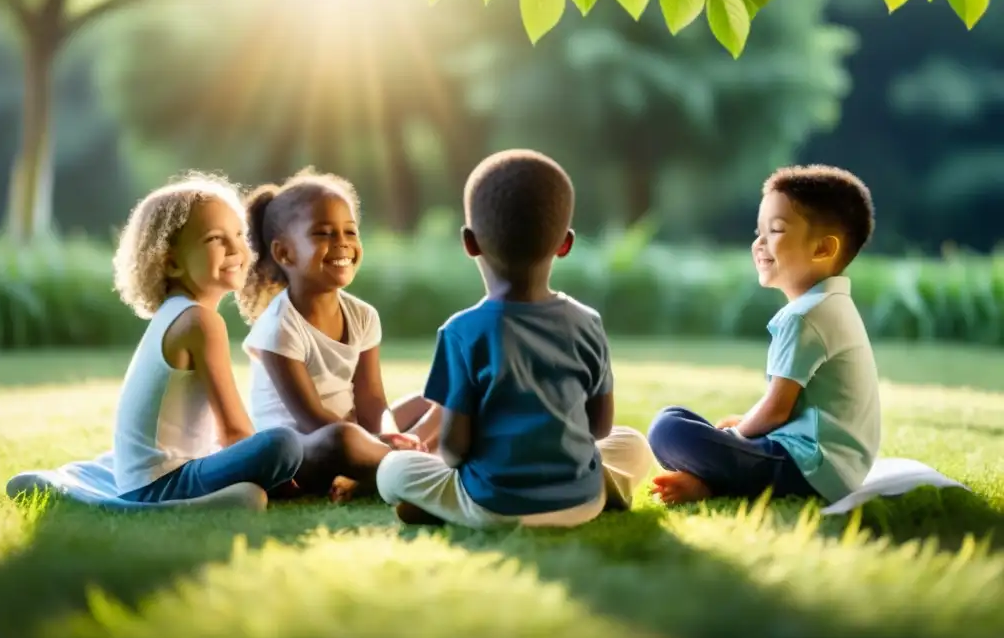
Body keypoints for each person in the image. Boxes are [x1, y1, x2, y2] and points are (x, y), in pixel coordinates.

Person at [376, 149, 656, 528]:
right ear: (565, 243)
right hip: (581, 498)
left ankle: (442, 504)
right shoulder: (588, 322)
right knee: (633, 445)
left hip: (493, 506)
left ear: (470, 242)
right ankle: (607, 491)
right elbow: (599, 430)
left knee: (393, 470)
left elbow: (455, 449)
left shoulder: (461, 331)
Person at [648, 164, 880, 506]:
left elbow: (775, 411)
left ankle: (712, 483)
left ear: (822, 249)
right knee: (683, 422)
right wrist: (741, 432)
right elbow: (796, 408)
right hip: (835, 465)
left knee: (668, 429)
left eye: (776, 230)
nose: (759, 243)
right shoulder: (833, 306)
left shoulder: (806, 316)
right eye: (759, 232)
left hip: (809, 468)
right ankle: (714, 479)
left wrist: (735, 435)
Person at [237, 169, 438, 499]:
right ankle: (414, 466)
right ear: (284, 253)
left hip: (355, 432)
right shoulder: (277, 327)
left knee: (437, 399)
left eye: (349, 231)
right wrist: (374, 441)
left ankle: (379, 468)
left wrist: (388, 434)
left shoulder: (362, 316)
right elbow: (312, 418)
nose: (342, 243)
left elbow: (373, 401)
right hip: (303, 452)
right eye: (323, 233)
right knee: (342, 439)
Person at [110, 173, 302, 510]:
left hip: (144, 480)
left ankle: (238, 491)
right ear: (170, 262)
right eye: (215, 238)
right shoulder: (199, 321)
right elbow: (233, 429)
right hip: (162, 486)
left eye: (239, 234)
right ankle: (229, 496)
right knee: (284, 443)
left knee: (279, 442)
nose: (235, 249)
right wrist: (281, 471)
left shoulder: (176, 313)